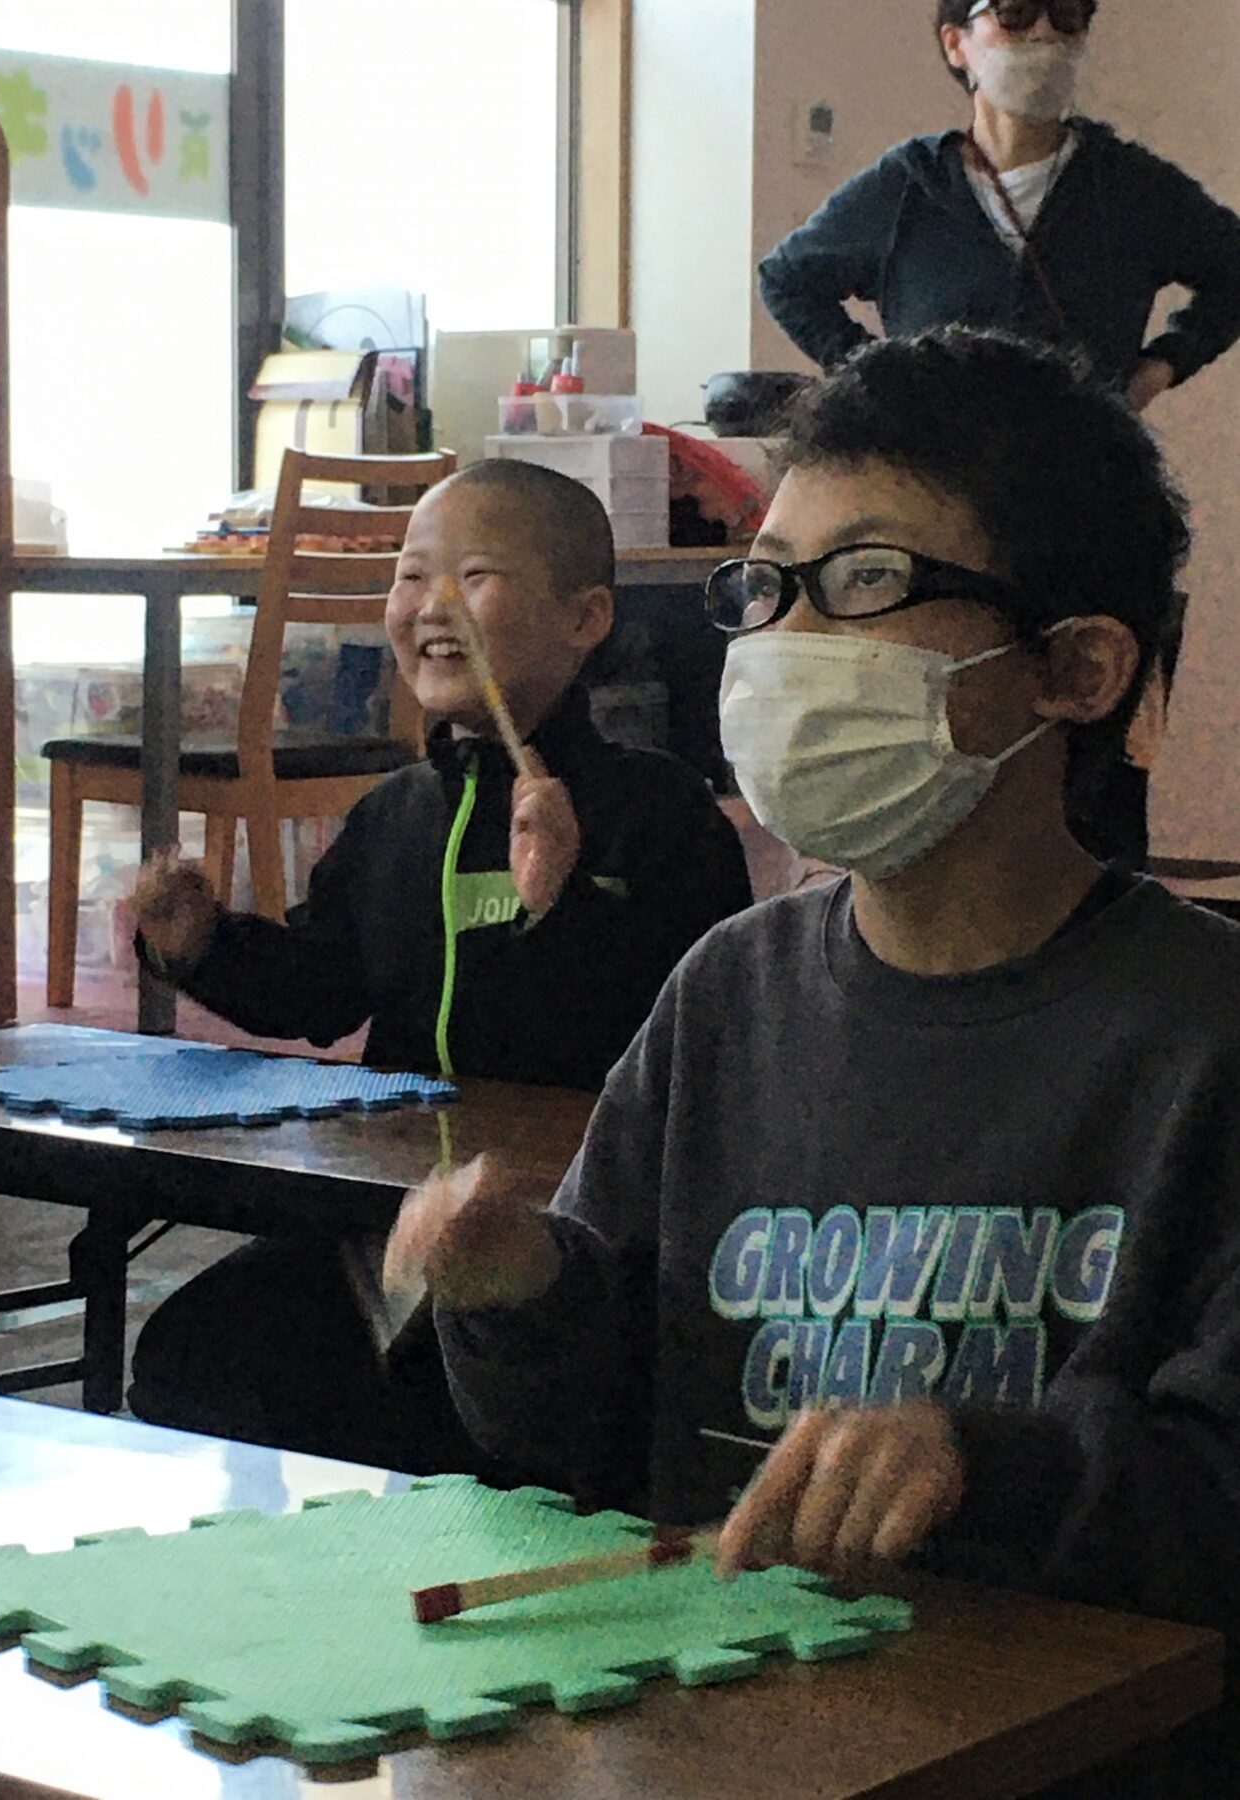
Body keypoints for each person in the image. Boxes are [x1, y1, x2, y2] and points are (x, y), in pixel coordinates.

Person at [389, 330, 1240, 1795]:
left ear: (1075, 667)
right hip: (724, 1745)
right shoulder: (729, 993)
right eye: (769, 584)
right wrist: (520, 1289)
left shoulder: (1201, 1034)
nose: (785, 641)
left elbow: (1217, 1501)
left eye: (864, 582)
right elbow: (581, 1439)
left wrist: (985, 1465)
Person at [125, 458, 752, 1470]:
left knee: (438, 1417)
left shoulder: (658, 813)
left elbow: (687, 1037)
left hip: (563, 1244)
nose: (431, 605)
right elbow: (318, 989)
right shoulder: (393, 817)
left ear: (585, 618)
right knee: (194, 1355)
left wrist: (561, 908)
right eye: (411, 576)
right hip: (391, 1223)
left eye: (474, 575)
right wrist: (198, 944)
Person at [757, 0, 1240, 868]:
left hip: (1091, 513)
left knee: (1100, 759)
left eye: (1068, 16)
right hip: (937, 524)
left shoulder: (1127, 185)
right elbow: (789, 277)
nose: (1045, 37)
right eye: (1015, 15)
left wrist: (1161, 367)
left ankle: (1103, 926)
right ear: (958, 42)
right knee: (938, 733)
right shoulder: (909, 186)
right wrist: (880, 375)